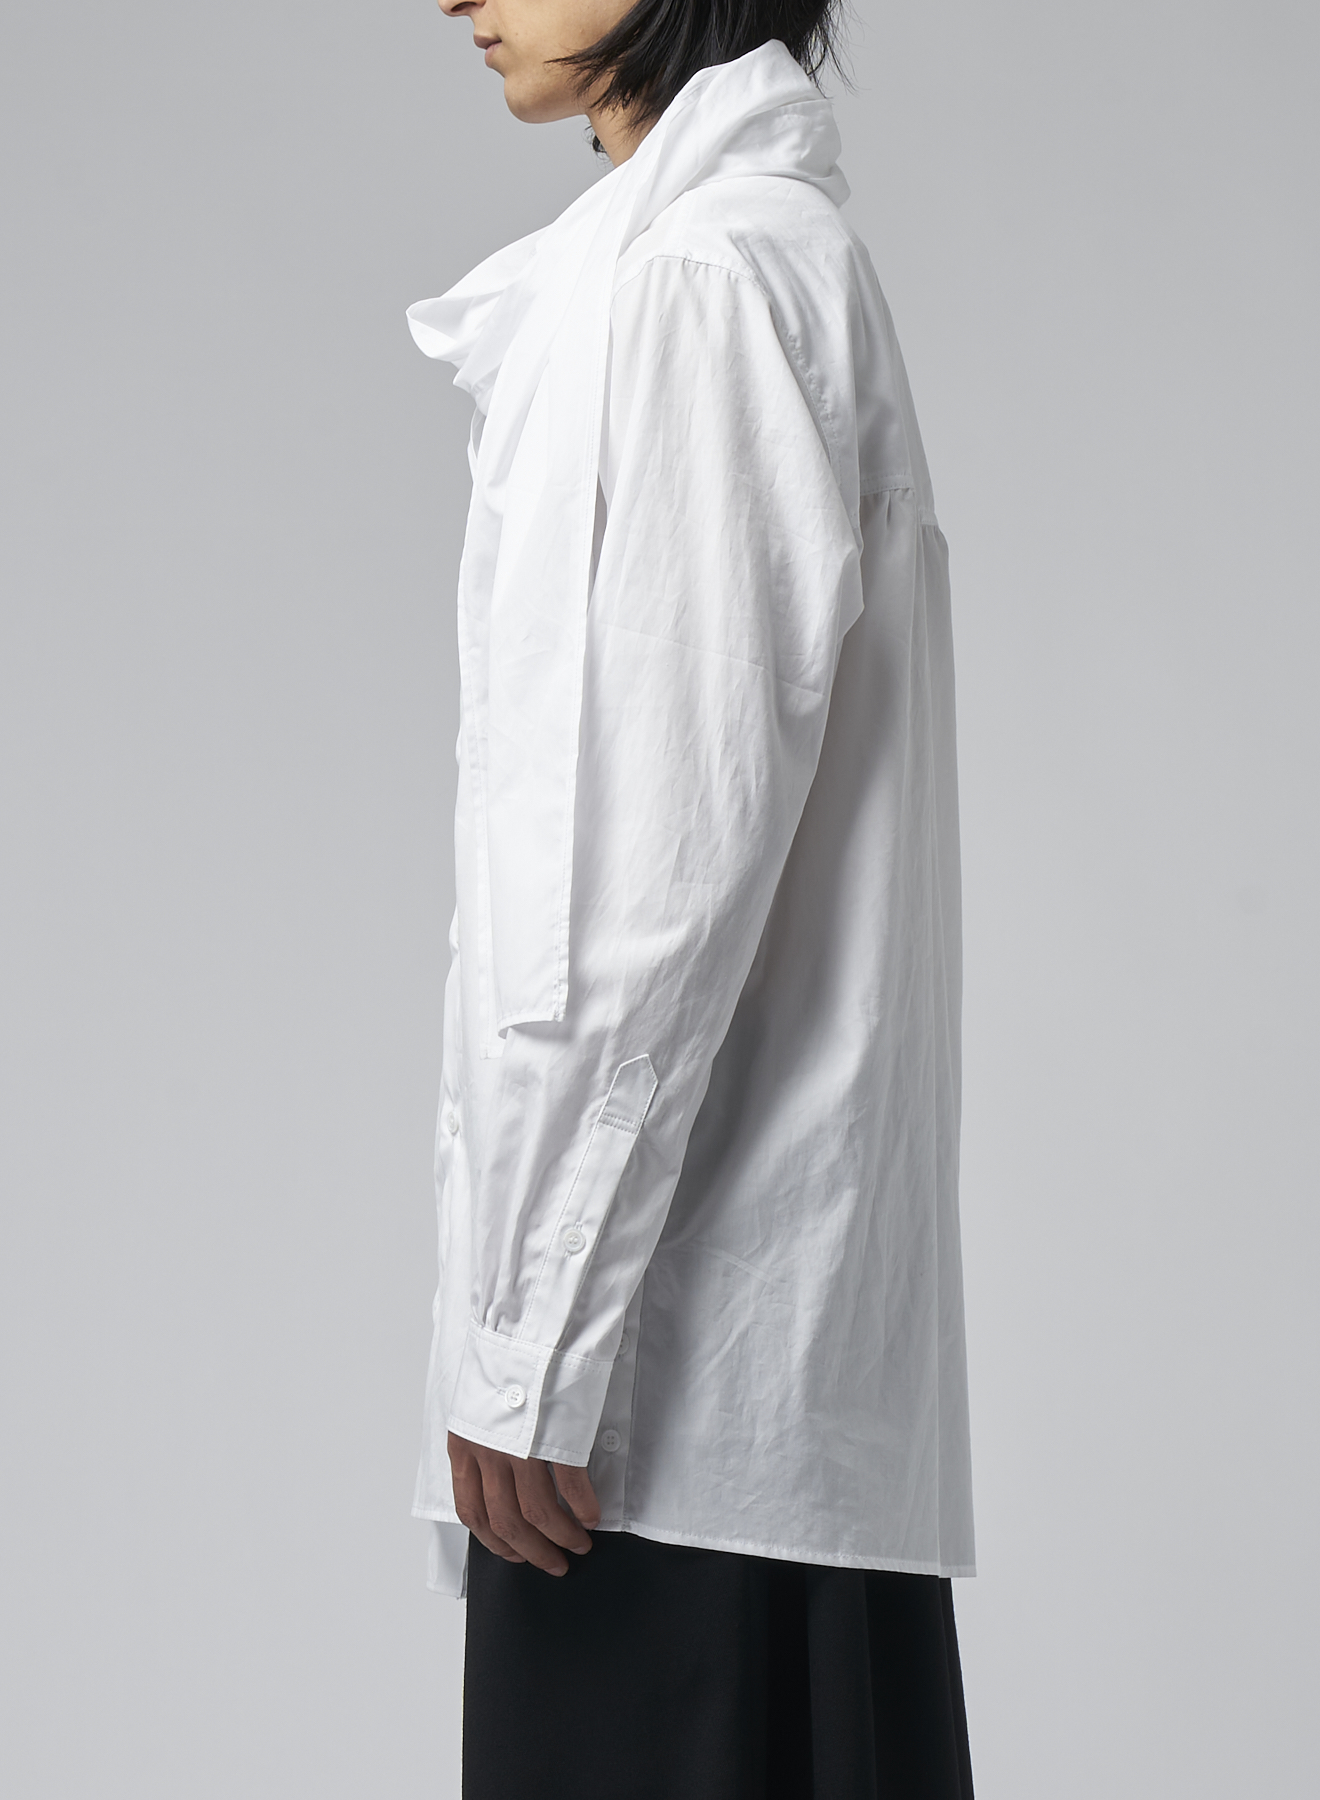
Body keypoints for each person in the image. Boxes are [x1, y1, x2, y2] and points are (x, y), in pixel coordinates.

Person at [407, 1, 975, 1793]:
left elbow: (645, 876)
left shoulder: (697, 285)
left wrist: (529, 1339)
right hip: (739, 1399)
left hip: (657, 1416)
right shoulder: (735, 262)